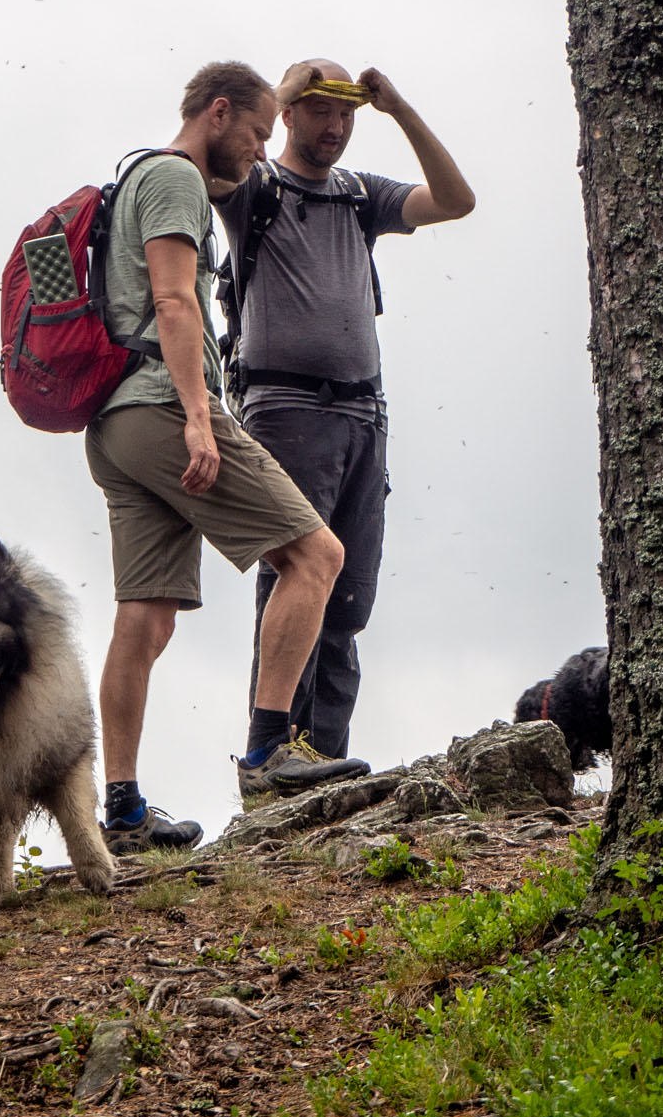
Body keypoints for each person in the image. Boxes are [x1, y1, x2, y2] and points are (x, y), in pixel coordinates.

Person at [86, 61, 366, 856]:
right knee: (317, 555)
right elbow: (175, 301)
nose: (258, 154)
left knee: (145, 616)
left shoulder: (134, 175)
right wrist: (202, 420)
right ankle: (270, 752)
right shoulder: (176, 178)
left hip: (113, 423)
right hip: (165, 408)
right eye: (255, 134)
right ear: (218, 113)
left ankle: (124, 810)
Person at [209, 59, 475, 795]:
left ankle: (325, 767)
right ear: (288, 115)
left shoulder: (362, 196)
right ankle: (274, 760)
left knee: (348, 601)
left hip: (365, 412)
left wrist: (401, 109)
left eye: (346, 115)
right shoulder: (258, 190)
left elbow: (456, 200)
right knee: (297, 578)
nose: (334, 128)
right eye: (319, 112)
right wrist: (254, 117)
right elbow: (206, 166)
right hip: (284, 408)